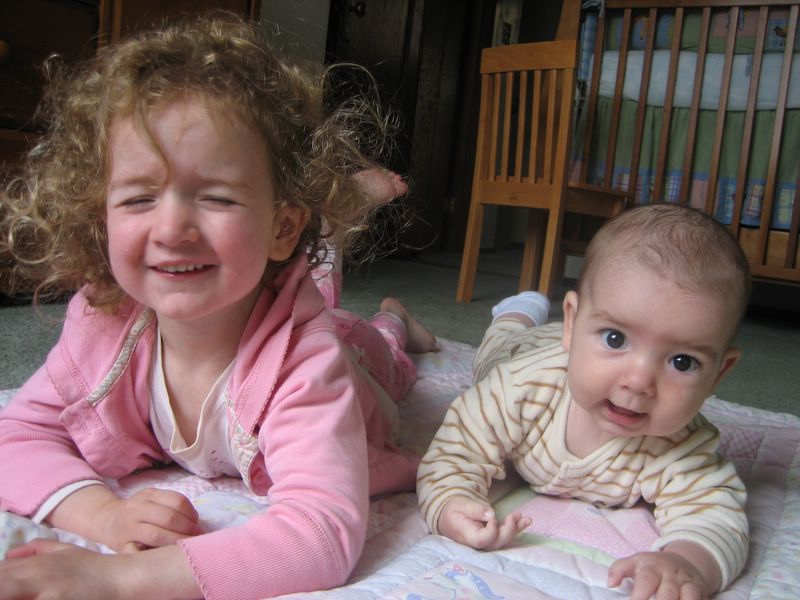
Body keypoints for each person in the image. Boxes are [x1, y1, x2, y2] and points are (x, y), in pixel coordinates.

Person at [0, 13, 436, 600]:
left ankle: (396, 319)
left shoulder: (308, 362)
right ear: (100, 216)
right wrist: (100, 514)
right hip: (270, 285)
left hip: (348, 356)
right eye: (139, 198)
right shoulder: (103, 323)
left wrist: (116, 578)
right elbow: (17, 434)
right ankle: (331, 231)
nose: (171, 229)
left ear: (282, 227)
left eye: (215, 197)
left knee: (376, 348)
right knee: (307, 287)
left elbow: (320, 536)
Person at [417, 204, 751, 600]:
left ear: (719, 373)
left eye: (682, 362)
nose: (638, 382)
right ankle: (516, 311)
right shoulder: (519, 386)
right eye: (615, 339)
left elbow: (715, 516)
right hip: (526, 351)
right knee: (493, 350)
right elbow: (457, 448)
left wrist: (686, 561)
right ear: (573, 322)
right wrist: (451, 503)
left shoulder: (684, 444)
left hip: (566, 349)